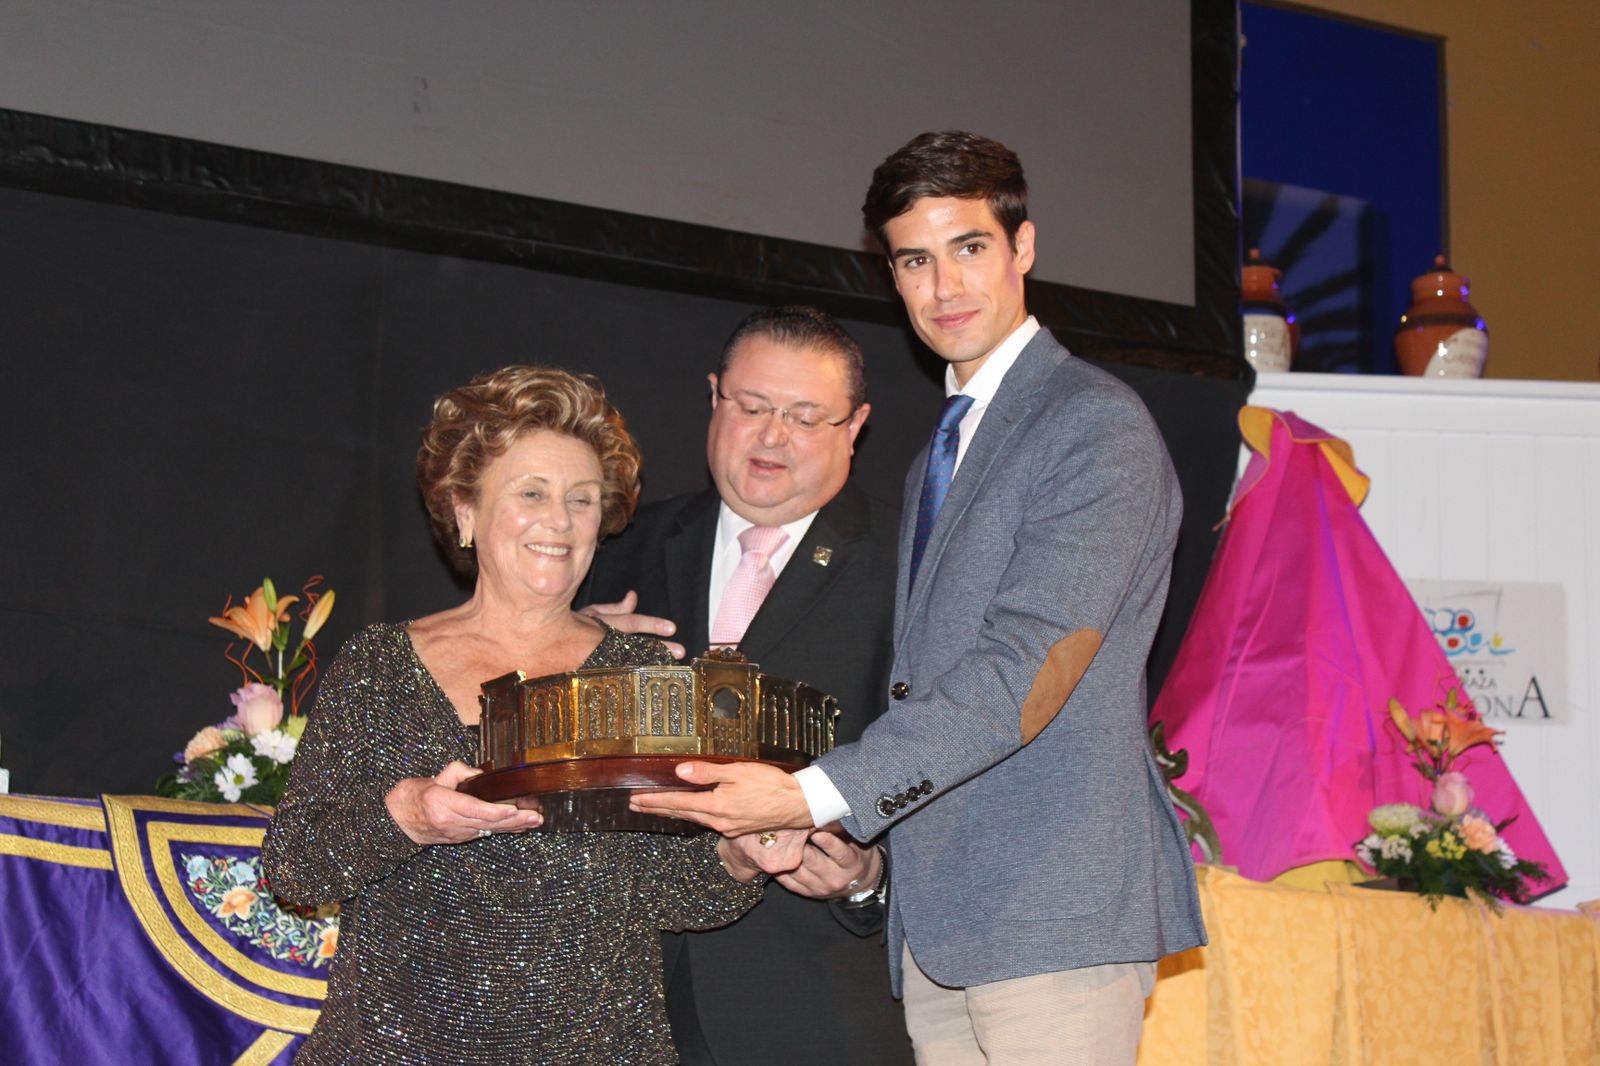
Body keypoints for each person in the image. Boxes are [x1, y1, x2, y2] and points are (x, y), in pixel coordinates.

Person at [632, 131, 1206, 1063]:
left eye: (969, 248)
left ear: (1023, 249)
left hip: (1047, 915)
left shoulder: (1092, 426)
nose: (944, 287)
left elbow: (1032, 670)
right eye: (914, 260)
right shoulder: (950, 445)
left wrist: (810, 795)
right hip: (943, 931)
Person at [262, 365, 783, 1065]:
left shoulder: (645, 676)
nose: (560, 521)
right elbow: (296, 868)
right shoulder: (380, 667)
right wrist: (408, 816)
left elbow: (673, 893)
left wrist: (740, 856)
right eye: (531, 493)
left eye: (583, 499)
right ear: (465, 510)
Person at [584, 306, 913, 1065]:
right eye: (754, 406)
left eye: (805, 416)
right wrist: (570, 650)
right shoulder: (619, 552)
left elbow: (950, 760)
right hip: (626, 1007)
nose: (772, 436)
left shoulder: (911, 568)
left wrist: (872, 876)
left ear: (855, 426)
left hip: (817, 1006)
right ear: (713, 396)